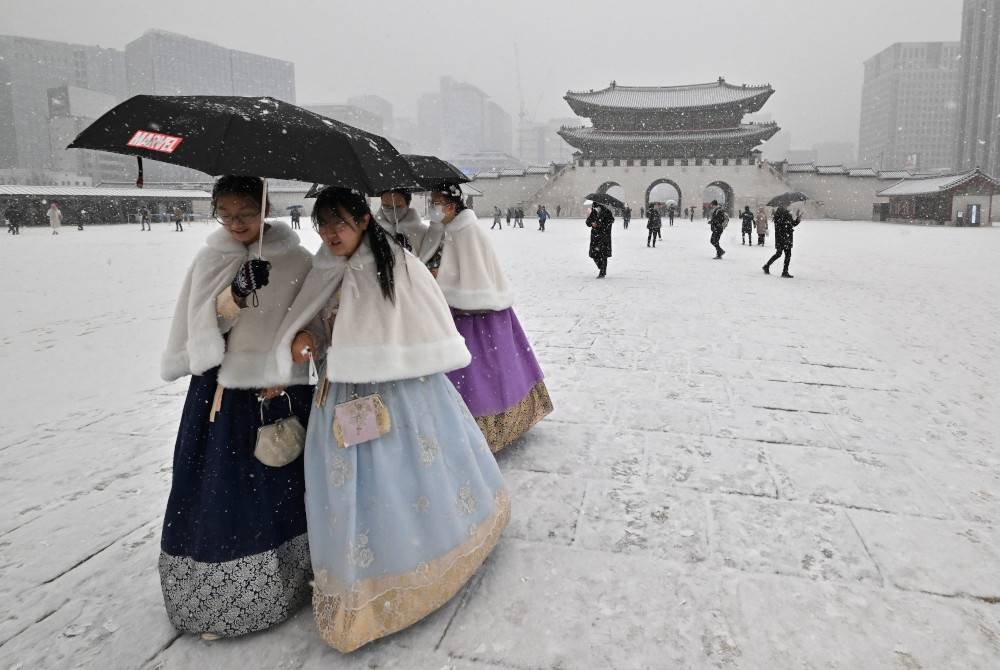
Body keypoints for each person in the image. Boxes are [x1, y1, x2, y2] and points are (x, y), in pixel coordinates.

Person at [275, 186, 509, 652]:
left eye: (339, 222)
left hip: (399, 393)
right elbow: (319, 323)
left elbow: (417, 323)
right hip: (341, 392)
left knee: (403, 474)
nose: (329, 233)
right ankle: (358, 578)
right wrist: (307, 337)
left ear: (363, 219)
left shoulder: (397, 265)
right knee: (351, 484)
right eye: (322, 224)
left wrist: (383, 356)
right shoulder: (326, 267)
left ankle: (416, 562)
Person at [158, 175, 315, 639]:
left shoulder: (296, 258)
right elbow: (202, 326)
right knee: (223, 492)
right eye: (225, 214)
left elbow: (307, 321)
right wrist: (236, 295)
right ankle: (224, 598)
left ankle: (291, 581)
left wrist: (285, 367)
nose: (236, 223)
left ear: (265, 206)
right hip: (223, 397)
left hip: (280, 391)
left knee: (282, 486)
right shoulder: (213, 257)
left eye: (245, 213)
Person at [417, 184, 553, 452]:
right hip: (451, 312)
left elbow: (474, 277)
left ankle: (488, 425)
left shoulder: (467, 232)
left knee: (483, 372)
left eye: (437, 202)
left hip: (477, 316)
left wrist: (440, 279)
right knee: (480, 371)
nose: (432, 207)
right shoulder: (445, 230)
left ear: (452, 206)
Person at [763, 206, 801, 278]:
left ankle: (767, 266)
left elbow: (783, 225)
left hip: (779, 238)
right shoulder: (786, 214)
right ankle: (784, 271)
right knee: (787, 254)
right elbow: (792, 224)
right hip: (786, 237)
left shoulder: (777, 215)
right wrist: (798, 218)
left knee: (779, 254)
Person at [586, 203, 614, 278]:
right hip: (595, 237)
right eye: (595, 207)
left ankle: (602, 272)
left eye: (597, 207)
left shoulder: (607, 212)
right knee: (594, 255)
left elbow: (609, 223)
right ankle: (602, 268)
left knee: (603, 255)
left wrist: (599, 225)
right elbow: (587, 222)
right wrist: (592, 224)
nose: (596, 208)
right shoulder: (593, 212)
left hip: (604, 237)